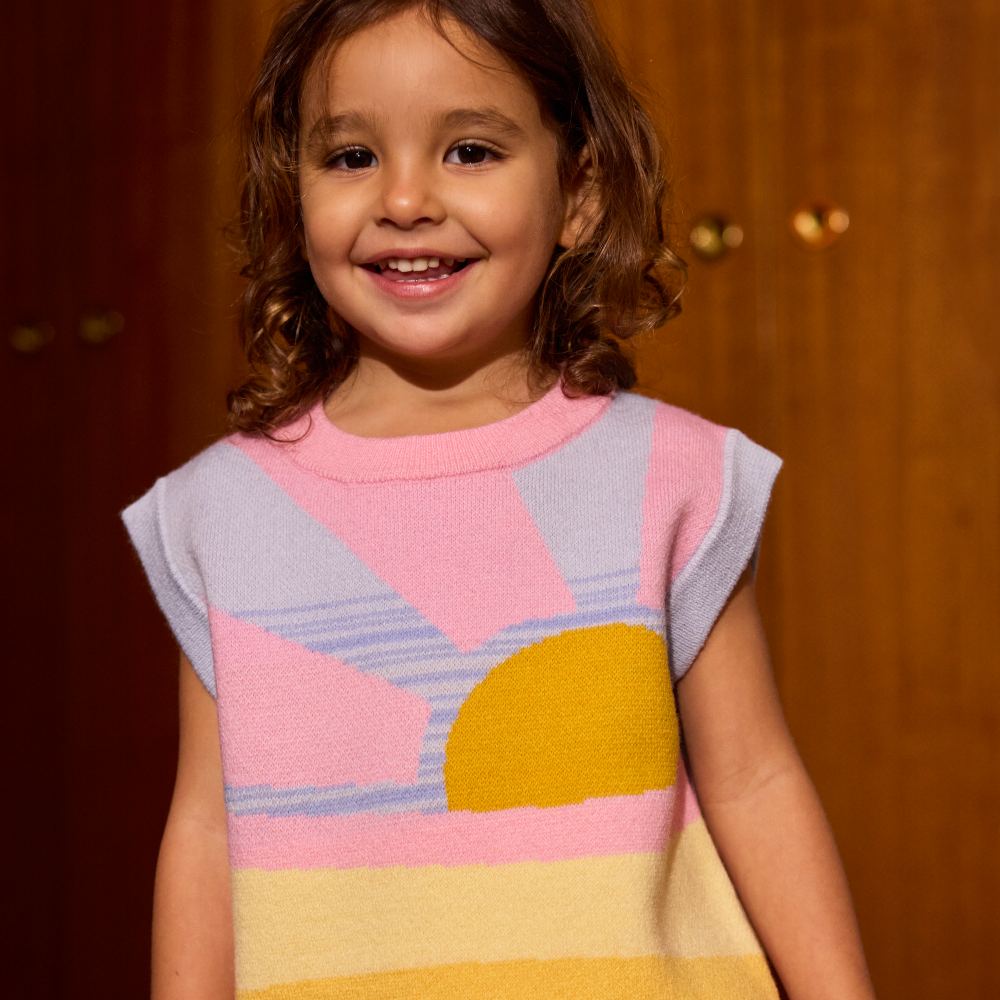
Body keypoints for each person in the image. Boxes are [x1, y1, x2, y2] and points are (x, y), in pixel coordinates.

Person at [122, 1, 878, 998]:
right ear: (287, 197)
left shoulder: (667, 476)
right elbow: (207, 825)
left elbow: (754, 777)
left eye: (469, 149)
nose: (404, 199)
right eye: (349, 158)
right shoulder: (220, 513)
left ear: (578, 194)